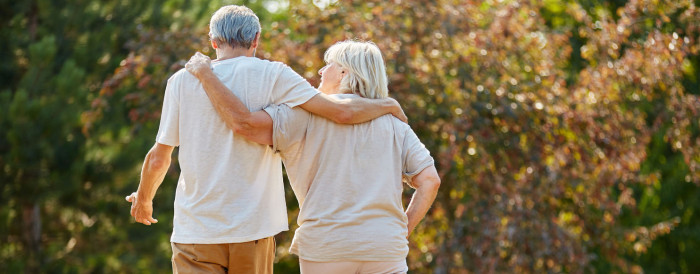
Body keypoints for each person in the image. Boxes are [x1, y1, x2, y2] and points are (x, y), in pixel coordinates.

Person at [125, 6, 406, 274]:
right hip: (253, 230)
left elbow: (159, 156)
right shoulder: (275, 74)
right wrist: (388, 105)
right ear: (256, 39)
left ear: (213, 42)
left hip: (195, 232)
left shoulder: (181, 81)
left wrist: (144, 198)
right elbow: (341, 112)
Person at [185, 40, 441, 273]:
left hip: (327, 245)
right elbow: (430, 180)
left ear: (344, 73)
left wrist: (206, 75)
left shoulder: (302, 115)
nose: (321, 71)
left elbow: (245, 124)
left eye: (328, 64)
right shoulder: (395, 123)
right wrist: (401, 230)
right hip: (385, 247)